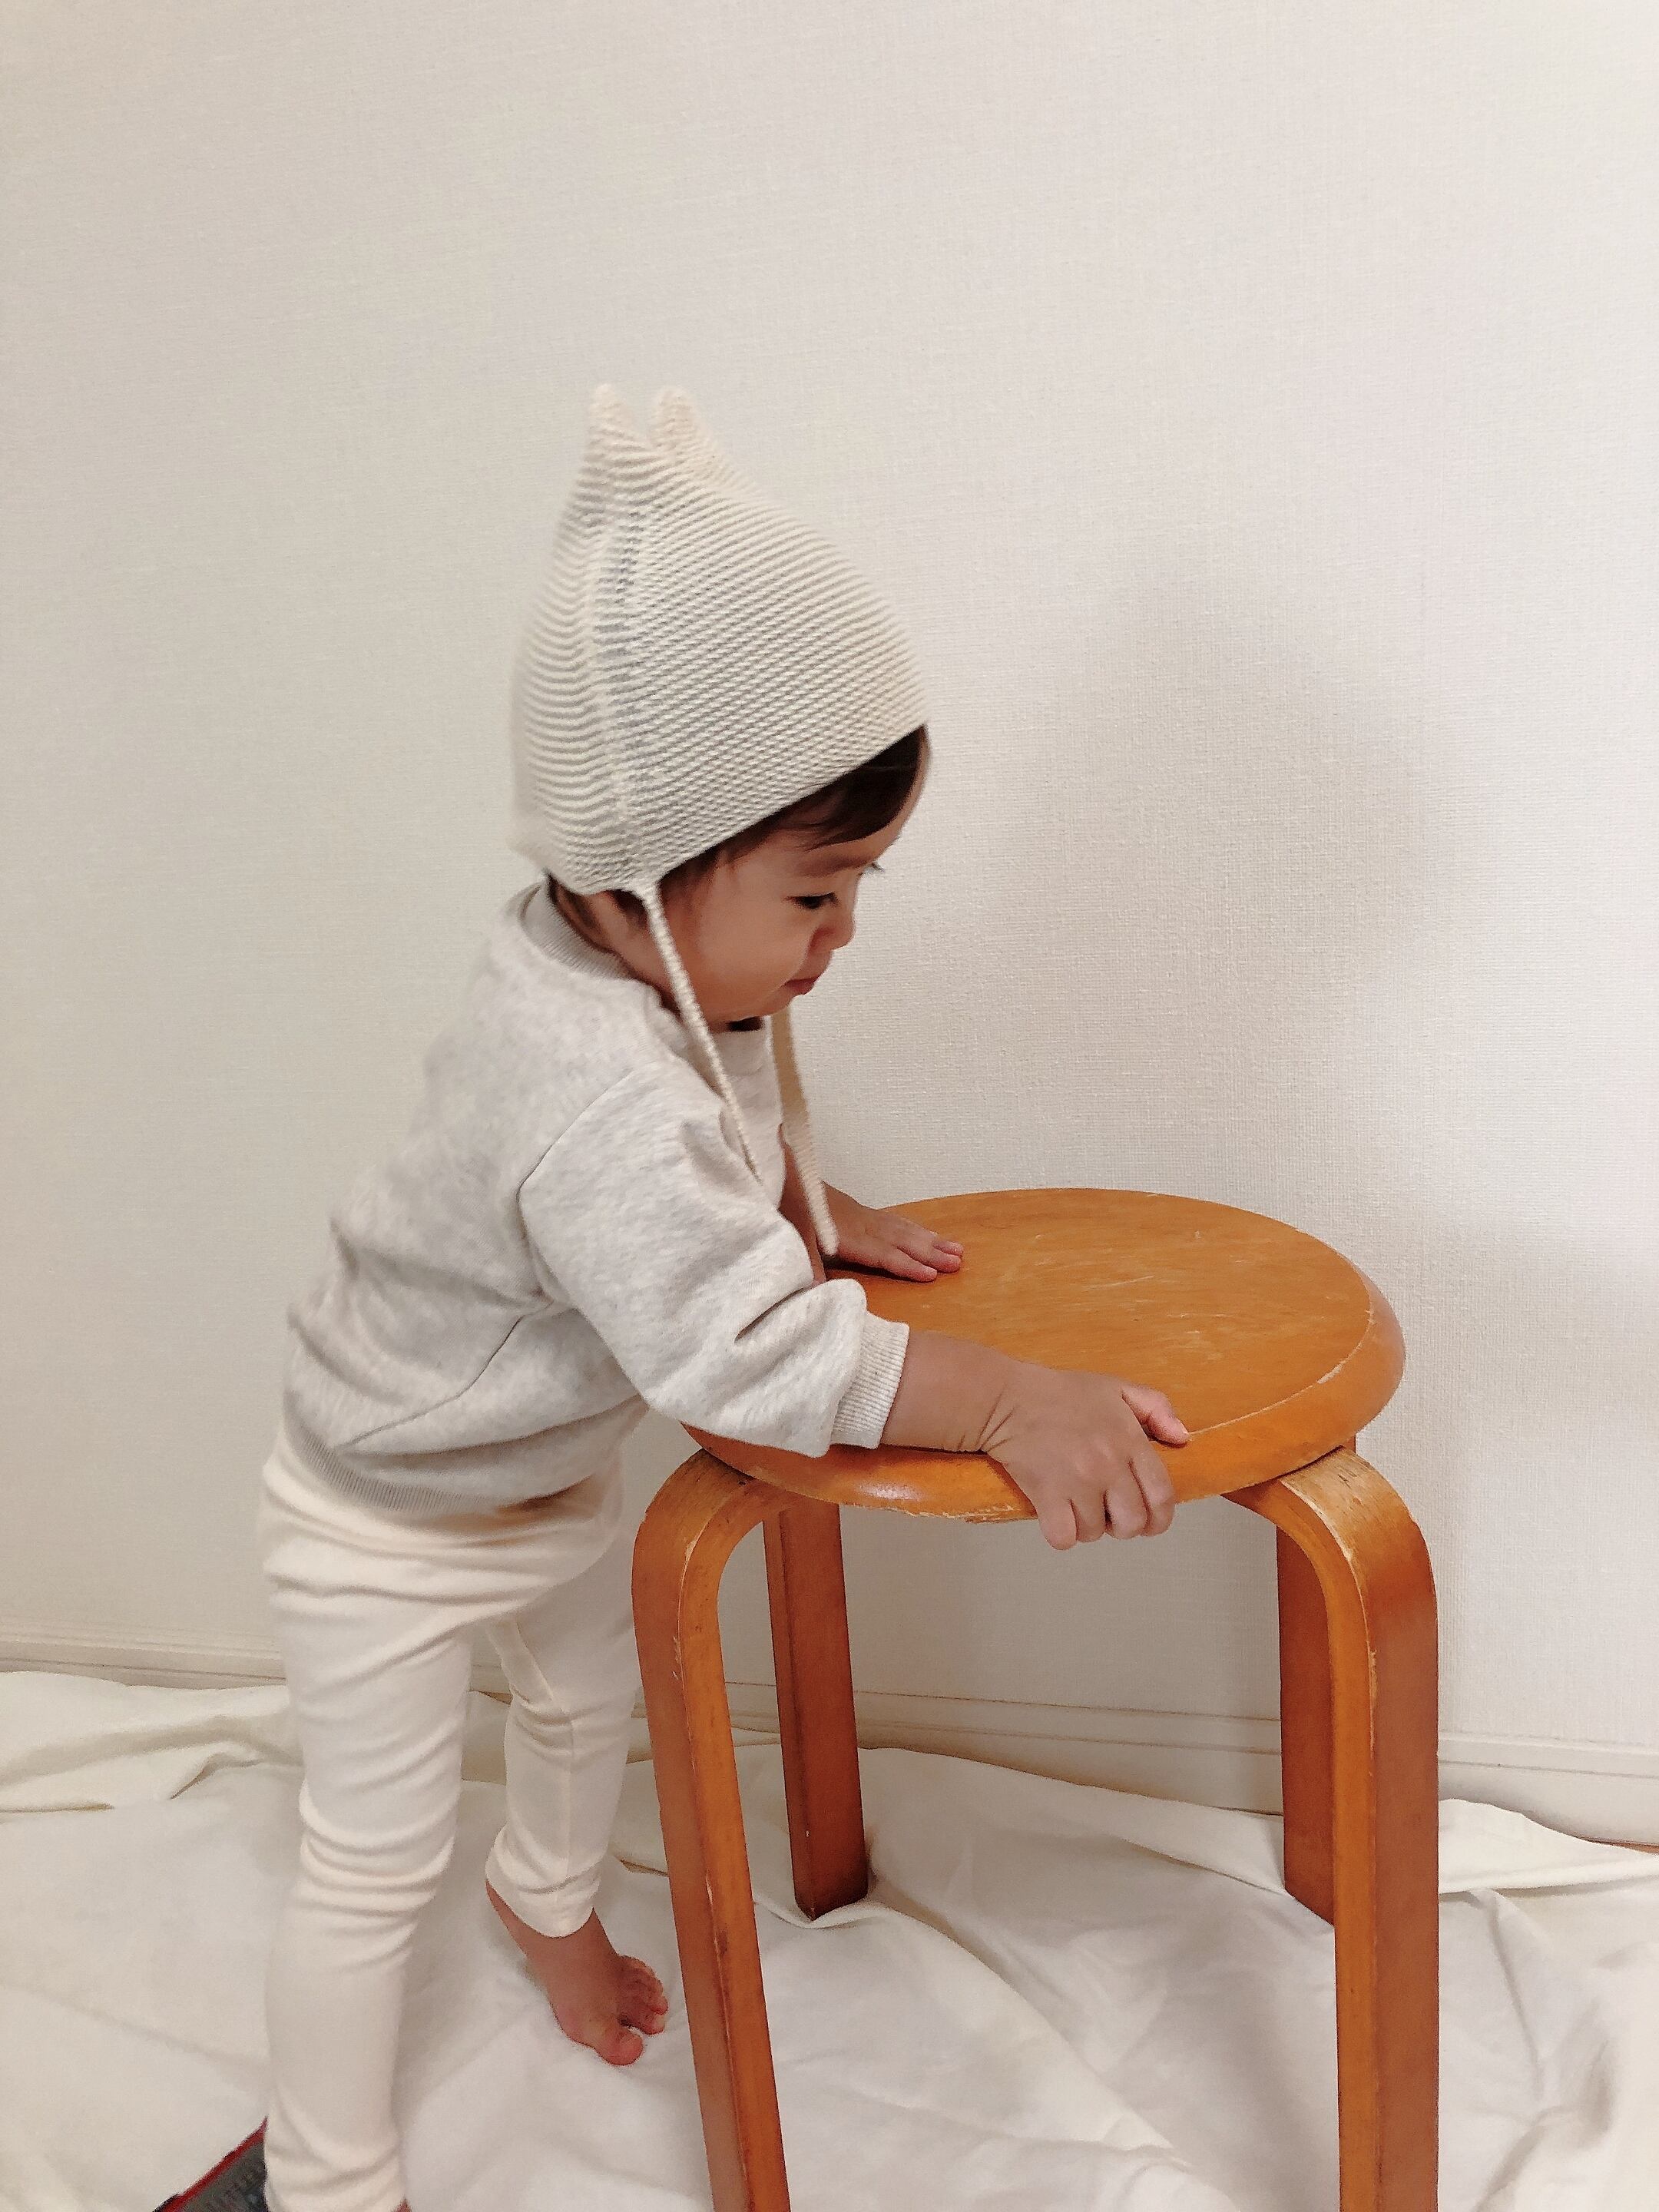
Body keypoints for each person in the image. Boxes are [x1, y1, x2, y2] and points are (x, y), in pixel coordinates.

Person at [253, 384, 1190, 2212]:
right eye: (817, 894)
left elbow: (708, 1132)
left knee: (578, 1703)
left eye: (860, 887)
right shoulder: (593, 1086)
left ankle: (542, 1905)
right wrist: (1004, 1394)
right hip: (383, 1513)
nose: (844, 937)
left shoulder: (647, 970)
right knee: (364, 1864)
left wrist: (805, 1207)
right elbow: (742, 1351)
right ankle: (326, 2172)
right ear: (631, 886)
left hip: (534, 1474)